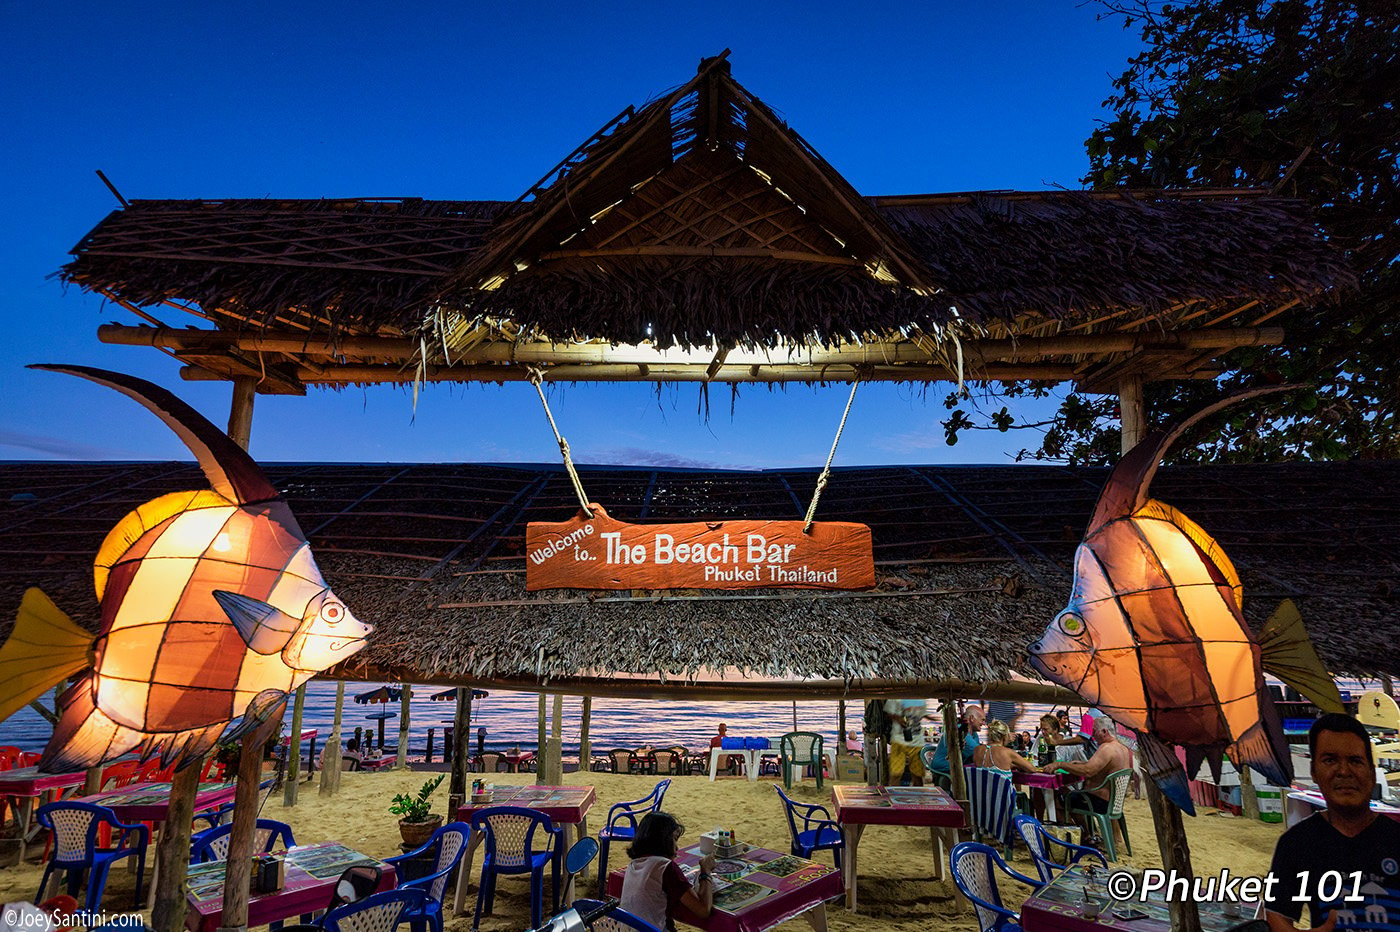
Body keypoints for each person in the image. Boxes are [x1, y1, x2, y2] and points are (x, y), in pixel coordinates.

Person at [1265, 714, 1400, 932]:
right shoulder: (1296, 843)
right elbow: (1276, 915)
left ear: (1372, 773)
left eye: (1355, 761)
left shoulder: (1396, 838)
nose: (1344, 771)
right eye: (1330, 760)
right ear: (1313, 772)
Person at [1042, 717, 1132, 847]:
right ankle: (1088, 834)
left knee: (1058, 799)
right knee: (1068, 794)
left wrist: (1061, 764)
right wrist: (1082, 763)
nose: (1093, 736)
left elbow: (1087, 771)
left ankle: (1077, 838)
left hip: (1098, 801)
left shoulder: (1106, 749)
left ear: (1104, 732)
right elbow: (1099, 766)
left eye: (1094, 732)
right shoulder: (1121, 748)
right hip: (1114, 801)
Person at [619, 811, 714, 932]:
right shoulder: (665, 867)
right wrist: (706, 871)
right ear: (664, 840)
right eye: (674, 839)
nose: (677, 847)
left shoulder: (633, 864)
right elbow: (703, 911)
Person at [929, 704, 986, 788]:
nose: (984, 723)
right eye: (982, 720)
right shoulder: (960, 731)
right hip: (944, 767)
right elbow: (979, 753)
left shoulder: (974, 734)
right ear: (972, 718)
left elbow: (979, 751)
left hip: (958, 766)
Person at [884, 698, 932, 786]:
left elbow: (922, 714)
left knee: (918, 774)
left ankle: (919, 796)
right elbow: (889, 713)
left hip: (917, 740)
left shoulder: (921, 698)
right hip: (899, 740)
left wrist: (929, 717)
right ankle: (893, 795)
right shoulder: (895, 697)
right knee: (896, 773)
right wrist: (898, 719)